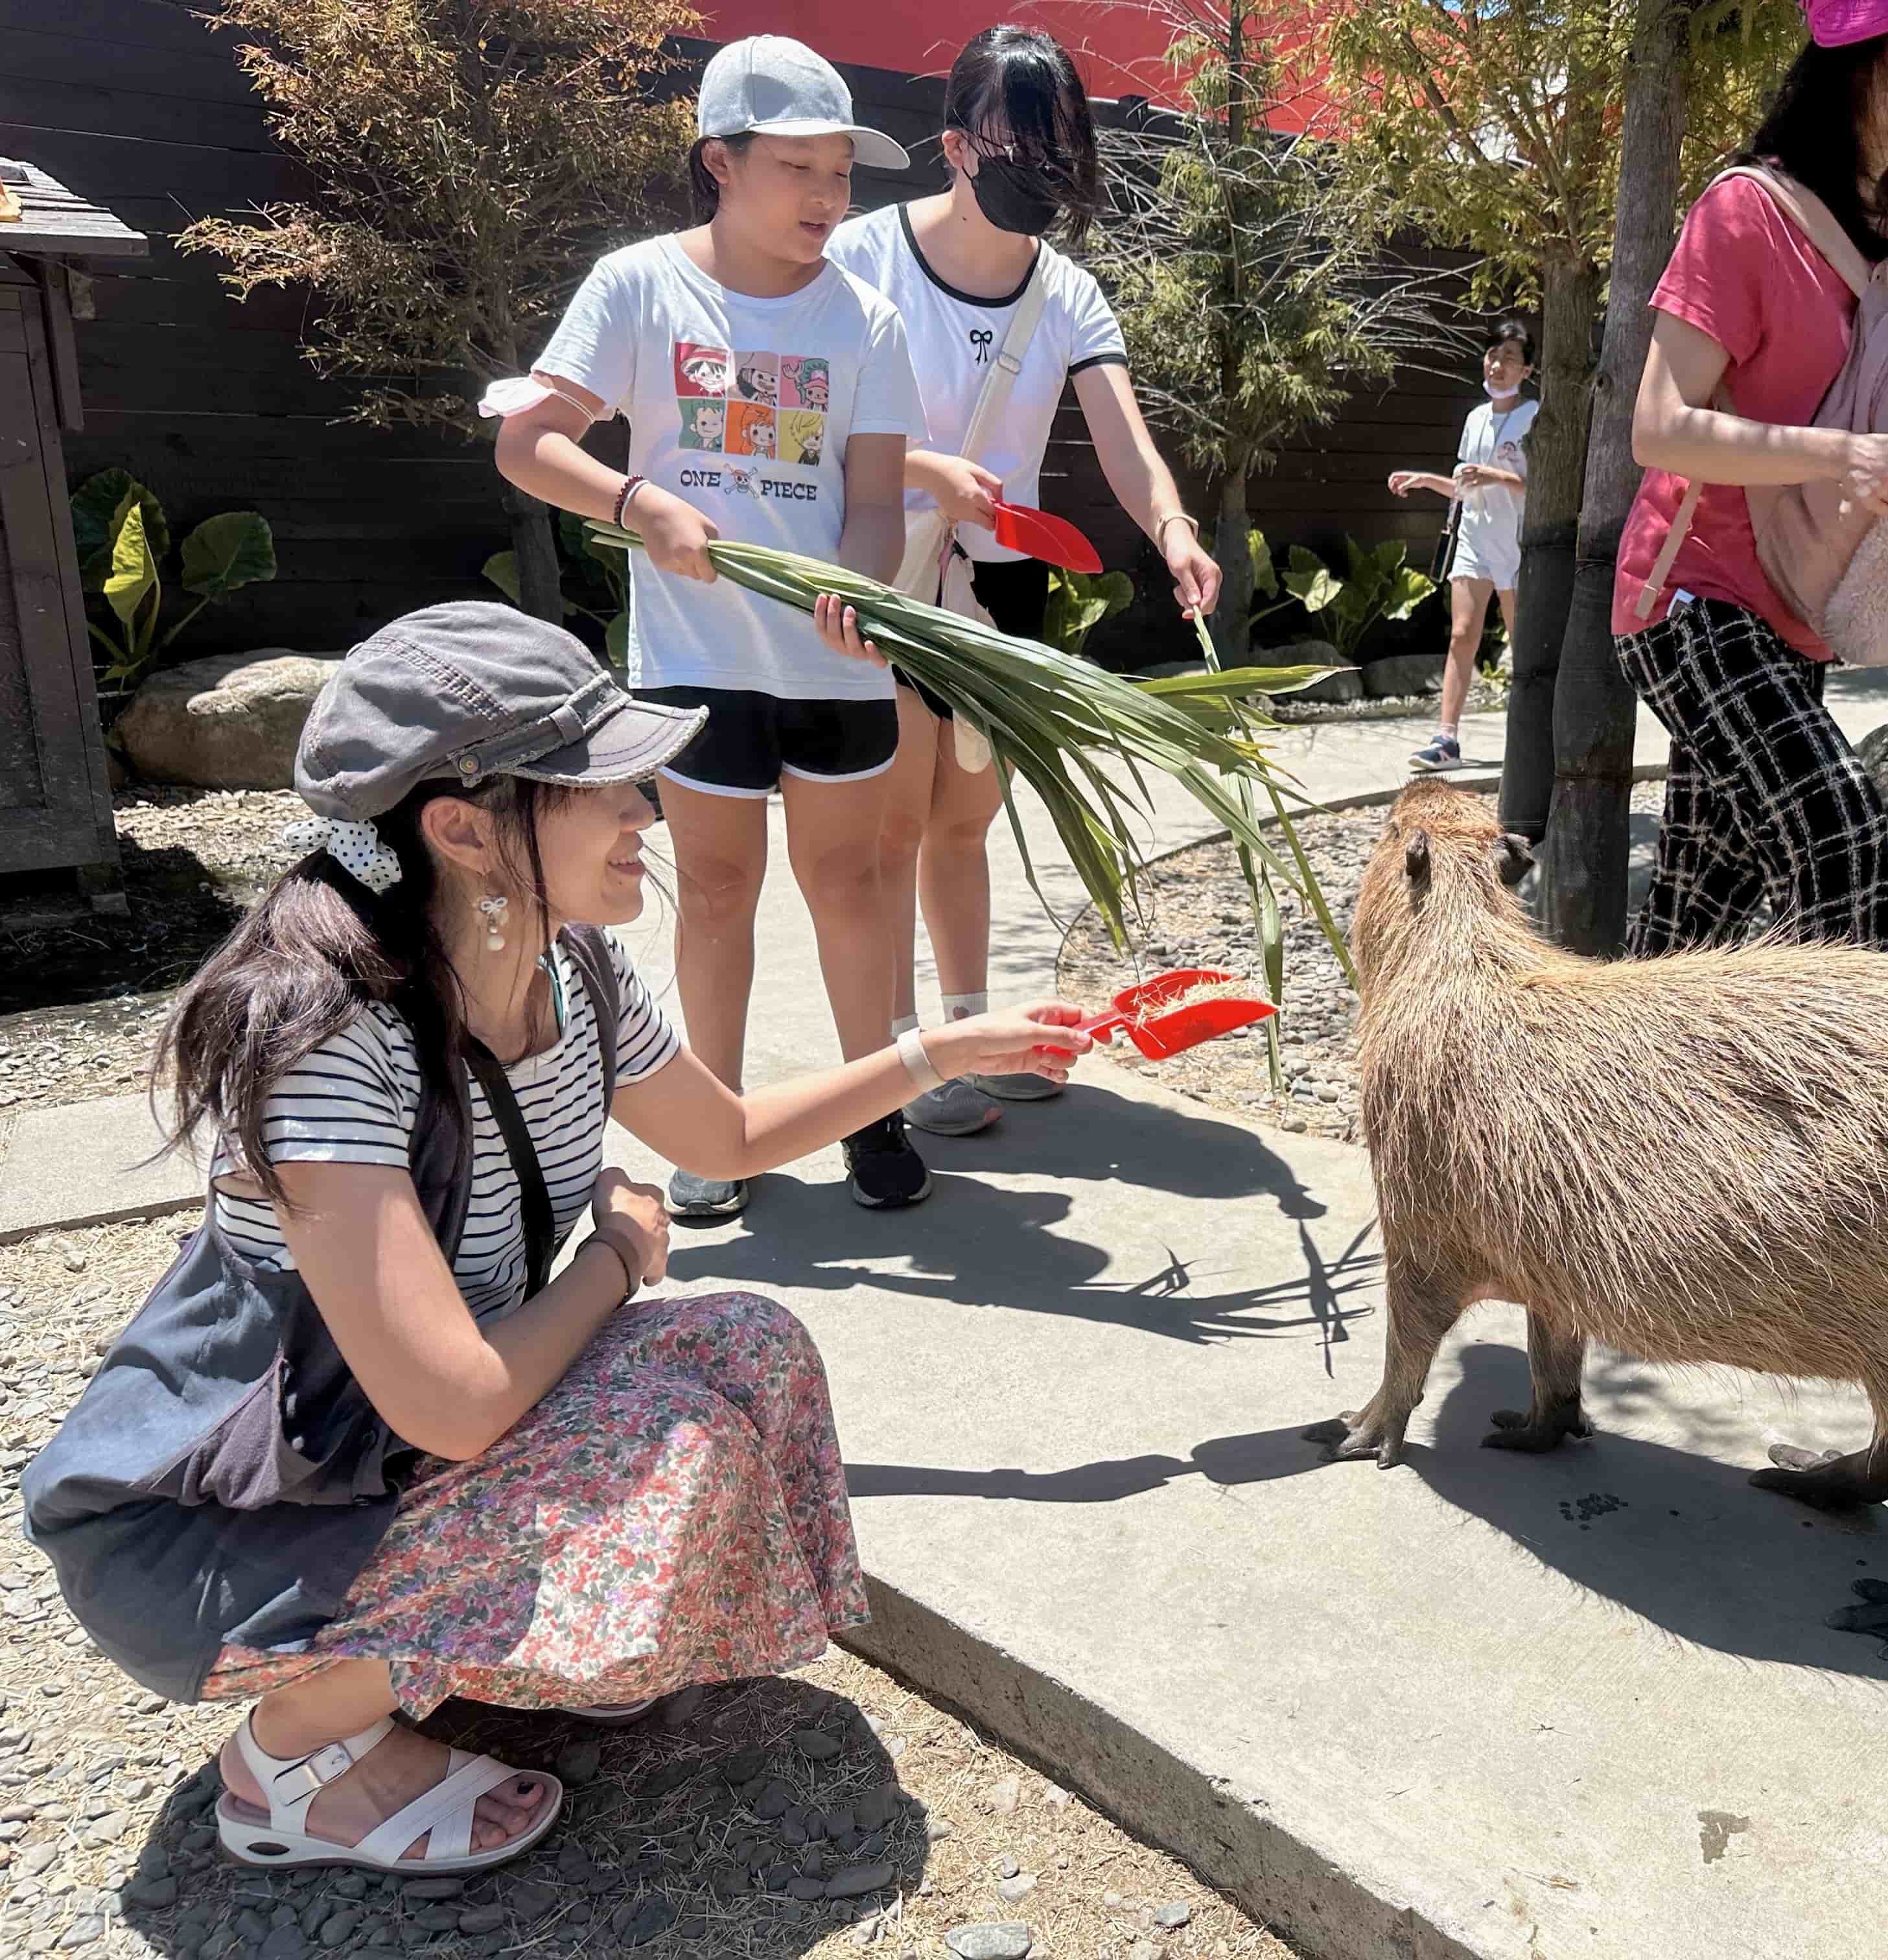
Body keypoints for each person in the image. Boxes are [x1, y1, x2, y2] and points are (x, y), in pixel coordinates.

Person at [22, 604, 1092, 1878]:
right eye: (604, 783)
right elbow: (458, 1405)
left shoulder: (572, 968)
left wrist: (938, 1052)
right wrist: (616, 1258)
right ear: (465, 829)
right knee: (670, 1443)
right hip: (216, 1528)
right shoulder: (326, 1039)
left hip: (386, 1456)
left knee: (747, 1350)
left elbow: (729, 1131)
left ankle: (481, 1654)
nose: (647, 808)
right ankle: (289, 1760)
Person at [493, 35, 942, 1221]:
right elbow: (527, 444)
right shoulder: (638, 287)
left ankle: (870, 1113)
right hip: (695, 656)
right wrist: (638, 503)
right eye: (797, 167)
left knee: (848, 882)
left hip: (832, 656)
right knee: (718, 883)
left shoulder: (867, 319)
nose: (827, 196)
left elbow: (874, 500)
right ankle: (717, 1126)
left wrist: (859, 591)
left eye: (840, 172)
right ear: (720, 163)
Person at [826, 25, 1220, 1142]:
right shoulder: (864, 258)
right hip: (888, 572)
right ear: (956, 145)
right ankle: (904, 1061)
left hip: (1002, 583)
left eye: (1060, 151)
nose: (1042, 173)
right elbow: (818, 426)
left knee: (967, 816)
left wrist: (1174, 528)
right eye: (1020, 147)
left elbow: (1125, 443)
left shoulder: (1069, 294)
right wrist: (923, 473)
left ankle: (975, 1034)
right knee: (894, 822)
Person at [1613, 1, 1888, 956]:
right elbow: (1659, 428)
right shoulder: (1744, 212)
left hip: (1796, 610)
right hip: (1692, 602)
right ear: (1858, 50)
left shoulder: (1882, 241)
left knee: (1694, 928)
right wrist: (1844, 456)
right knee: (1840, 836)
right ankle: (1856, 1063)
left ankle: (1615, 1058)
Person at [1390, 322, 1539, 773]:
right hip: (1475, 538)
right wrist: (1425, 480)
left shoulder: (1535, 416)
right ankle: (1446, 739)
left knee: (1523, 643)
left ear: (1527, 369)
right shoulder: (1475, 418)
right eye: (1493, 355)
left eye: (1509, 357)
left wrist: (1494, 476)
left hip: (1517, 543)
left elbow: (1541, 488)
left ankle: (1532, 740)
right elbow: (1465, 488)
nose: (1497, 365)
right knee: (1461, 634)